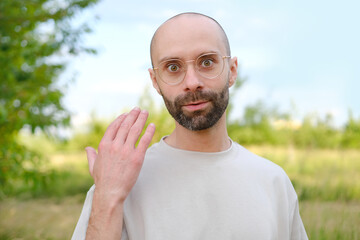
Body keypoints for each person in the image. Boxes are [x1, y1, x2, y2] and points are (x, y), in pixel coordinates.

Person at [72, 12, 308, 240]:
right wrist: (108, 198)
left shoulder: (273, 182)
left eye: (207, 62)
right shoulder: (118, 182)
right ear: (155, 81)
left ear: (232, 70)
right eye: (173, 67)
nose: (192, 83)